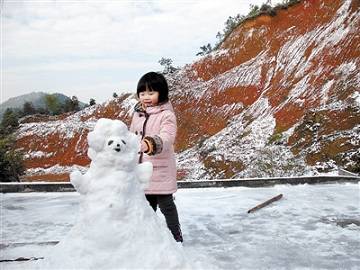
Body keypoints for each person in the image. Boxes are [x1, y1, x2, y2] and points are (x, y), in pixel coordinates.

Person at [129, 71, 183, 243]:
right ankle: (148, 238)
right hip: (142, 170)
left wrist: (151, 143)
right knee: (146, 207)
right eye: (142, 93)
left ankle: (175, 236)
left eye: (151, 93)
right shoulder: (137, 114)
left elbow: (167, 137)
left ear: (161, 93)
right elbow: (131, 136)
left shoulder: (167, 115)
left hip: (160, 170)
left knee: (166, 205)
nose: (146, 97)